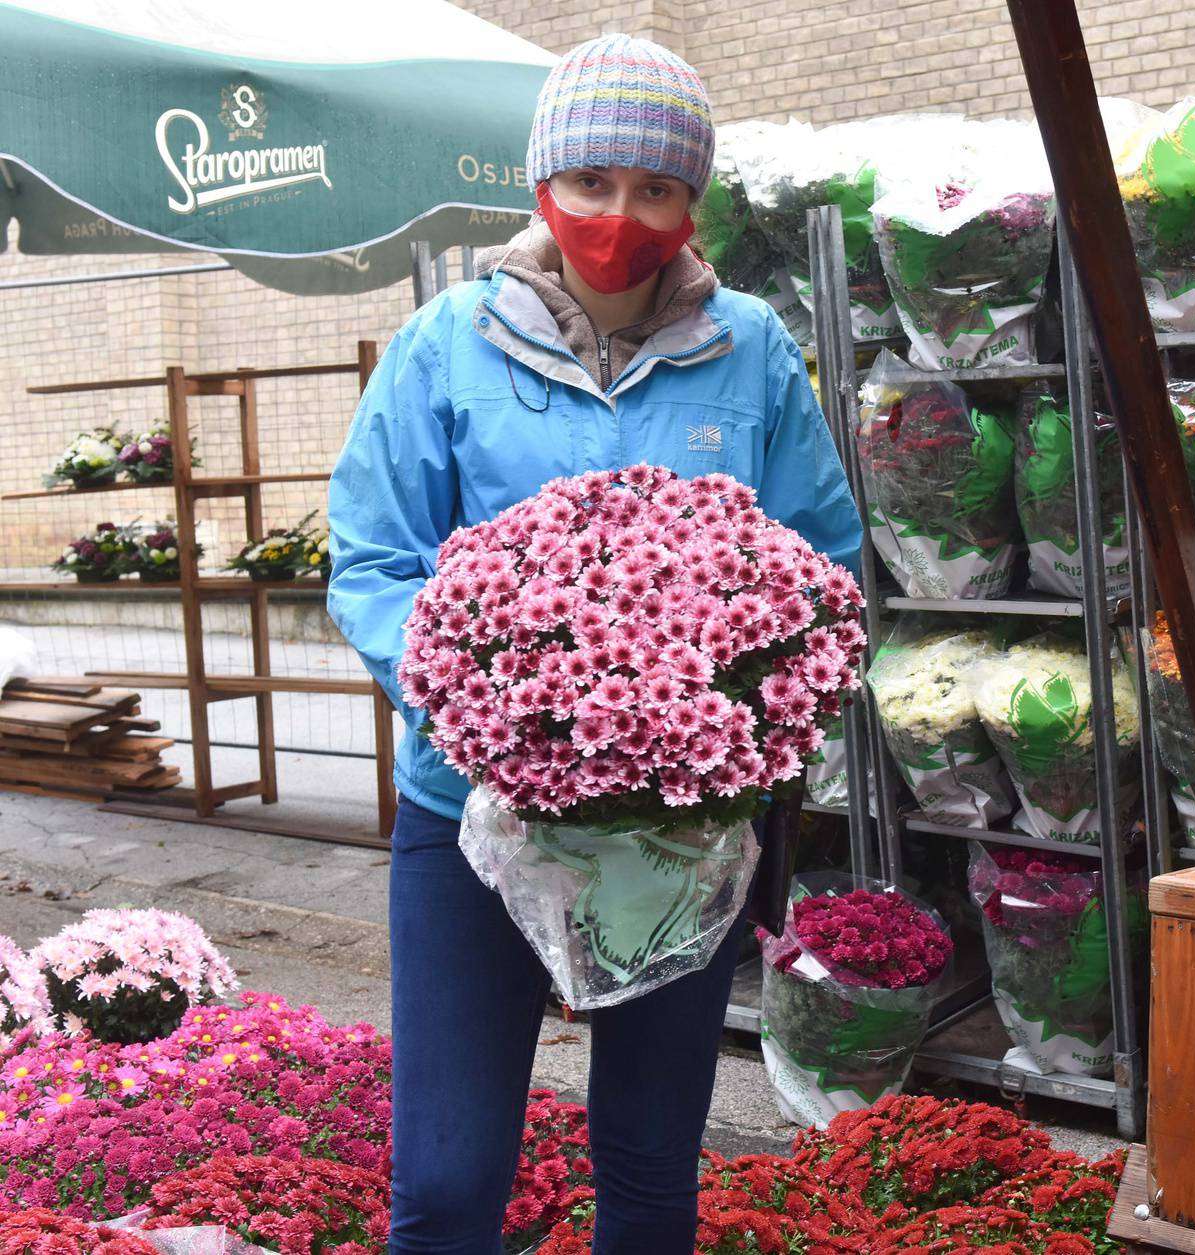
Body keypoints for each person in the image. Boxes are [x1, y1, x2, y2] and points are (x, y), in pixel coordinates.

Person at [326, 34, 862, 1254]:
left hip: (679, 837)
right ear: (542, 188)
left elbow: (827, 566)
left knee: (651, 1164)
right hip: (469, 817)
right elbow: (372, 559)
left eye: (657, 188)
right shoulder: (446, 344)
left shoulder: (755, 350)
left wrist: (744, 727)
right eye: (593, 183)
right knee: (448, 1183)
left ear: (691, 201)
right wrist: (485, 704)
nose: (622, 215)